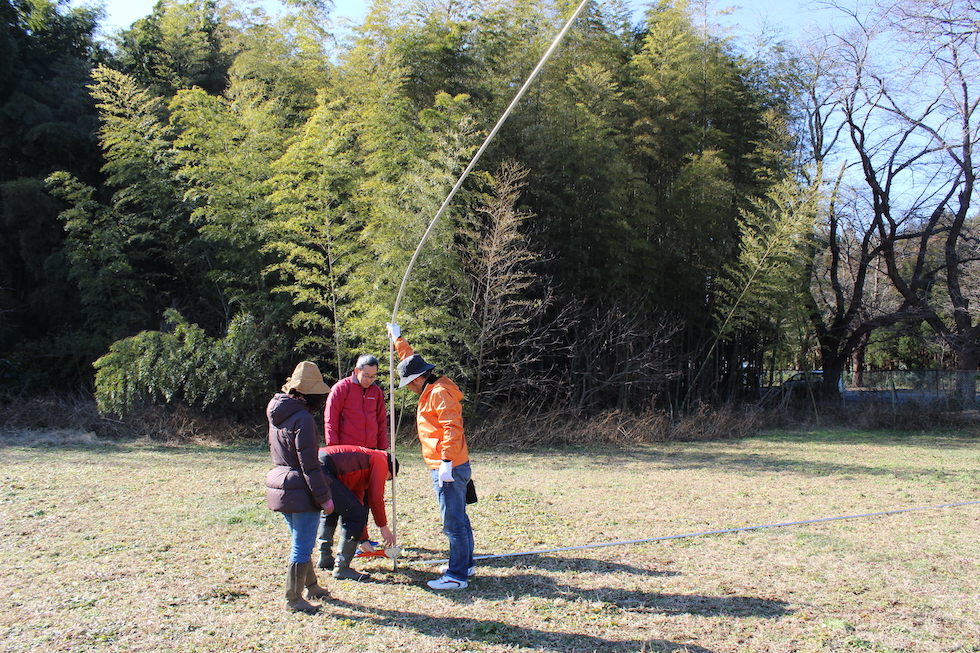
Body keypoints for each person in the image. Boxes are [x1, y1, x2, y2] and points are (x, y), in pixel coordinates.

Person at [388, 323, 475, 590]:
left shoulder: (438, 393)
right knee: (459, 517)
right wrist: (397, 339)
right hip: (448, 463)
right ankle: (465, 564)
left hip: (448, 465)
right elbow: (409, 361)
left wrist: (446, 461)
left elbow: (451, 427)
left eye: (409, 384)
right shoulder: (432, 384)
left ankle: (457, 576)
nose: (409, 388)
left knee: (453, 523)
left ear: (417, 379)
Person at [265, 361, 334, 614]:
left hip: (279, 485)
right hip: (299, 489)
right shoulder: (303, 418)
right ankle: (293, 599)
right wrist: (324, 497)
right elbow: (309, 465)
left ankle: (312, 586)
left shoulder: (277, 411)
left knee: (300, 541)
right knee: (302, 546)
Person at [318, 354, 388, 566]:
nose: (369, 379)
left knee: (365, 498)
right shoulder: (341, 388)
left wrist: (381, 453)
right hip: (344, 458)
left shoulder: (376, 392)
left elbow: (381, 421)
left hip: (369, 456)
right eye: (366, 375)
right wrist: (335, 449)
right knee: (343, 501)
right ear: (356, 371)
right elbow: (330, 420)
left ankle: (361, 537)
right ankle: (339, 546)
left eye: (373, 376)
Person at [316, 444, 398, 581]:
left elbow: (355, 505)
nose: (384, 480)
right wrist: (383, 527)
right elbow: (376, 497)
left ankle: (325, 558)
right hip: (325, 467)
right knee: (354, 513)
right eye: (387, 478)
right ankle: (342, 568)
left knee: (335, 509)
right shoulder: (380, 459)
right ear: (390, 468)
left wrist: (363, 539)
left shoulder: (359, 474)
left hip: (317, 463)